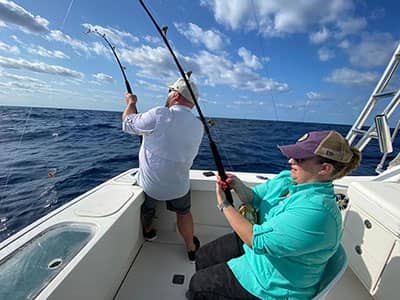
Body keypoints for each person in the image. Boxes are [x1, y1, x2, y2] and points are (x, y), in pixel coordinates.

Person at [187, 130, 361, 299]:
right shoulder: (288, 179)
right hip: (263, 255)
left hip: (272, 286)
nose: (291, 160)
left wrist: (224, 204)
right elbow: (254, 198)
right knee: (203, 256)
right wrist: (237, 185)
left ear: (324, 168)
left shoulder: (317, 212)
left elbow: (256, 241)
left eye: (300, 157)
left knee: (198, 285)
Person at [122, 78, 204, 261]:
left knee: (148, 206)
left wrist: (131, 103)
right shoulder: (199, 126)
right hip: (179, 187)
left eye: (169, 91)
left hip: (152, 187)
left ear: (175, 95)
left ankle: (149, 231)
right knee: (184, 212)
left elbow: (127, 123)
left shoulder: (160, 114)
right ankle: (191, 248)